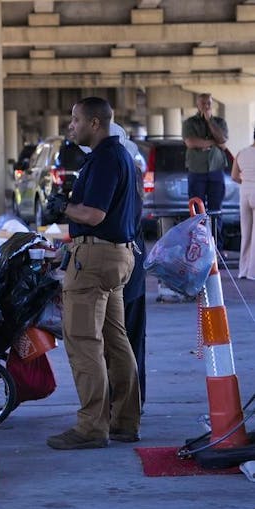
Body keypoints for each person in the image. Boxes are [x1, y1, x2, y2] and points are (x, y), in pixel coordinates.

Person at [47, 97, 141, 450]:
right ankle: (125, 422)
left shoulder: (103, 159)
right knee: (116, 341)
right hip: (118, 258)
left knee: (84, 342)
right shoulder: (122, 156)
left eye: (75, 120)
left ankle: (91, 427)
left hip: (94, 259)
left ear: (95, 123)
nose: (71, 126)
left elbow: (94, 215)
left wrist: (65, 207)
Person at [111, 122, 148, 407]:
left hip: (123, 262)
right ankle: (133, 401)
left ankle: (124, 403)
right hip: (134, 259)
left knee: (119, 337)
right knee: (132, 334)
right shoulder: (131, 170)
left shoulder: (115, 171)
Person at [183, 93, 229, 246]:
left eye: (208, 103)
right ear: (197, 105)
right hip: (197, 170)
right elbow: (191, 142)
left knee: (216, 210)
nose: (206, 106)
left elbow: (222, 139)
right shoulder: (190, 123)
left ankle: (216, 247)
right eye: (203, 103)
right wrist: (213, 143)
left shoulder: (220, 122)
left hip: (216, 169)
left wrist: (210, 121)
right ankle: (199, 246)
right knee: (197, 210)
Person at [231, 126, 255, 279]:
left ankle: (243, 271)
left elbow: (234, 176)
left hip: (244, 192)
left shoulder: (242, 153)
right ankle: (253, 272)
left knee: (246, 233)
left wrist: (246, 182)